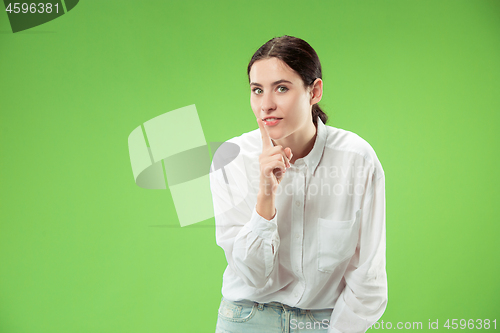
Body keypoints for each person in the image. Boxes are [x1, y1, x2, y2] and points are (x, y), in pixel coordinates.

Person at [210, 35, 387, 333]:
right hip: (245, 319)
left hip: (325, 323)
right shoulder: (231, 160)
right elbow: (252, 274)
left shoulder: (357, 160)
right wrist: (265, 196)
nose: (266, 105)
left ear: (314, 91)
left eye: (281, 88)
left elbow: (368, 278)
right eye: (257, 90)